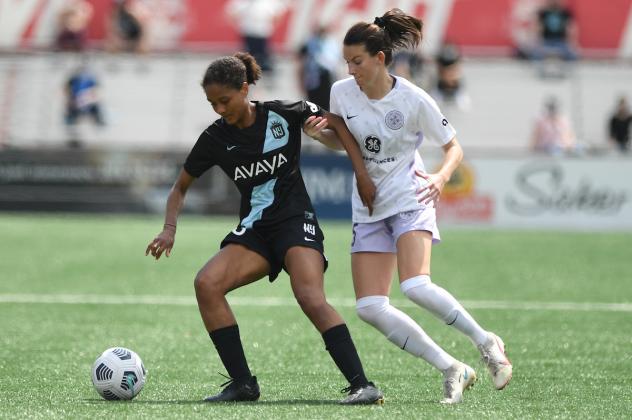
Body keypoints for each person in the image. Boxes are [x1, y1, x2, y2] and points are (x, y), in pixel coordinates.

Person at [145, 52, 383, 405]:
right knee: (206, 284)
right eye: (212, 103)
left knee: (309, 296)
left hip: (294, 221)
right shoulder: (214, 139)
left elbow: (339, 124)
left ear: (244, 89)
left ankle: (362, 384)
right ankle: (243, 384)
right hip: (255, 231)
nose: (219, 109)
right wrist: (169, 228)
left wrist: (361, 175)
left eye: (224, 100)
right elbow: (180, 187)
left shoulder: (284, 112)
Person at [303, 8, 513, 404]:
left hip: (408, 198)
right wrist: (318, 137)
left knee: (415, 285)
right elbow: (344, 142)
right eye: (346, 61)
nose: (350, 69)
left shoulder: (415, 99)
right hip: (367, 205)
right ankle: (453, 367)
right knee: (369, 307)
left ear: (380, 58)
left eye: (357, 61)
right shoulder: (341, 92)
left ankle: (485, 341)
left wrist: (440, 176)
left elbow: (453, 147)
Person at [226, 0, 287, 73]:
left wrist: (272, 27)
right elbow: (232, 13)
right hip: (248, 33)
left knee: (263, 57)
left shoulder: (268, 2)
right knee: (248, 57)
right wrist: (238, 26)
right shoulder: (243, 2)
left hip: (263, 34)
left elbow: (277, 15)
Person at [297, 26, 340, 110]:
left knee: (327, 106)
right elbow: (302, 63)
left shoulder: (331, 44)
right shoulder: (309, 43)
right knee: (314, 107)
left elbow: (335, 65)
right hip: (313, 79)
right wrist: (301, 80)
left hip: (327, 78)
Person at [430, 43, 470, 112]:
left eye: (453, 69)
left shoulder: (466, 99)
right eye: (445, 69)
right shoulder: (430, 98)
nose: (449, 73)